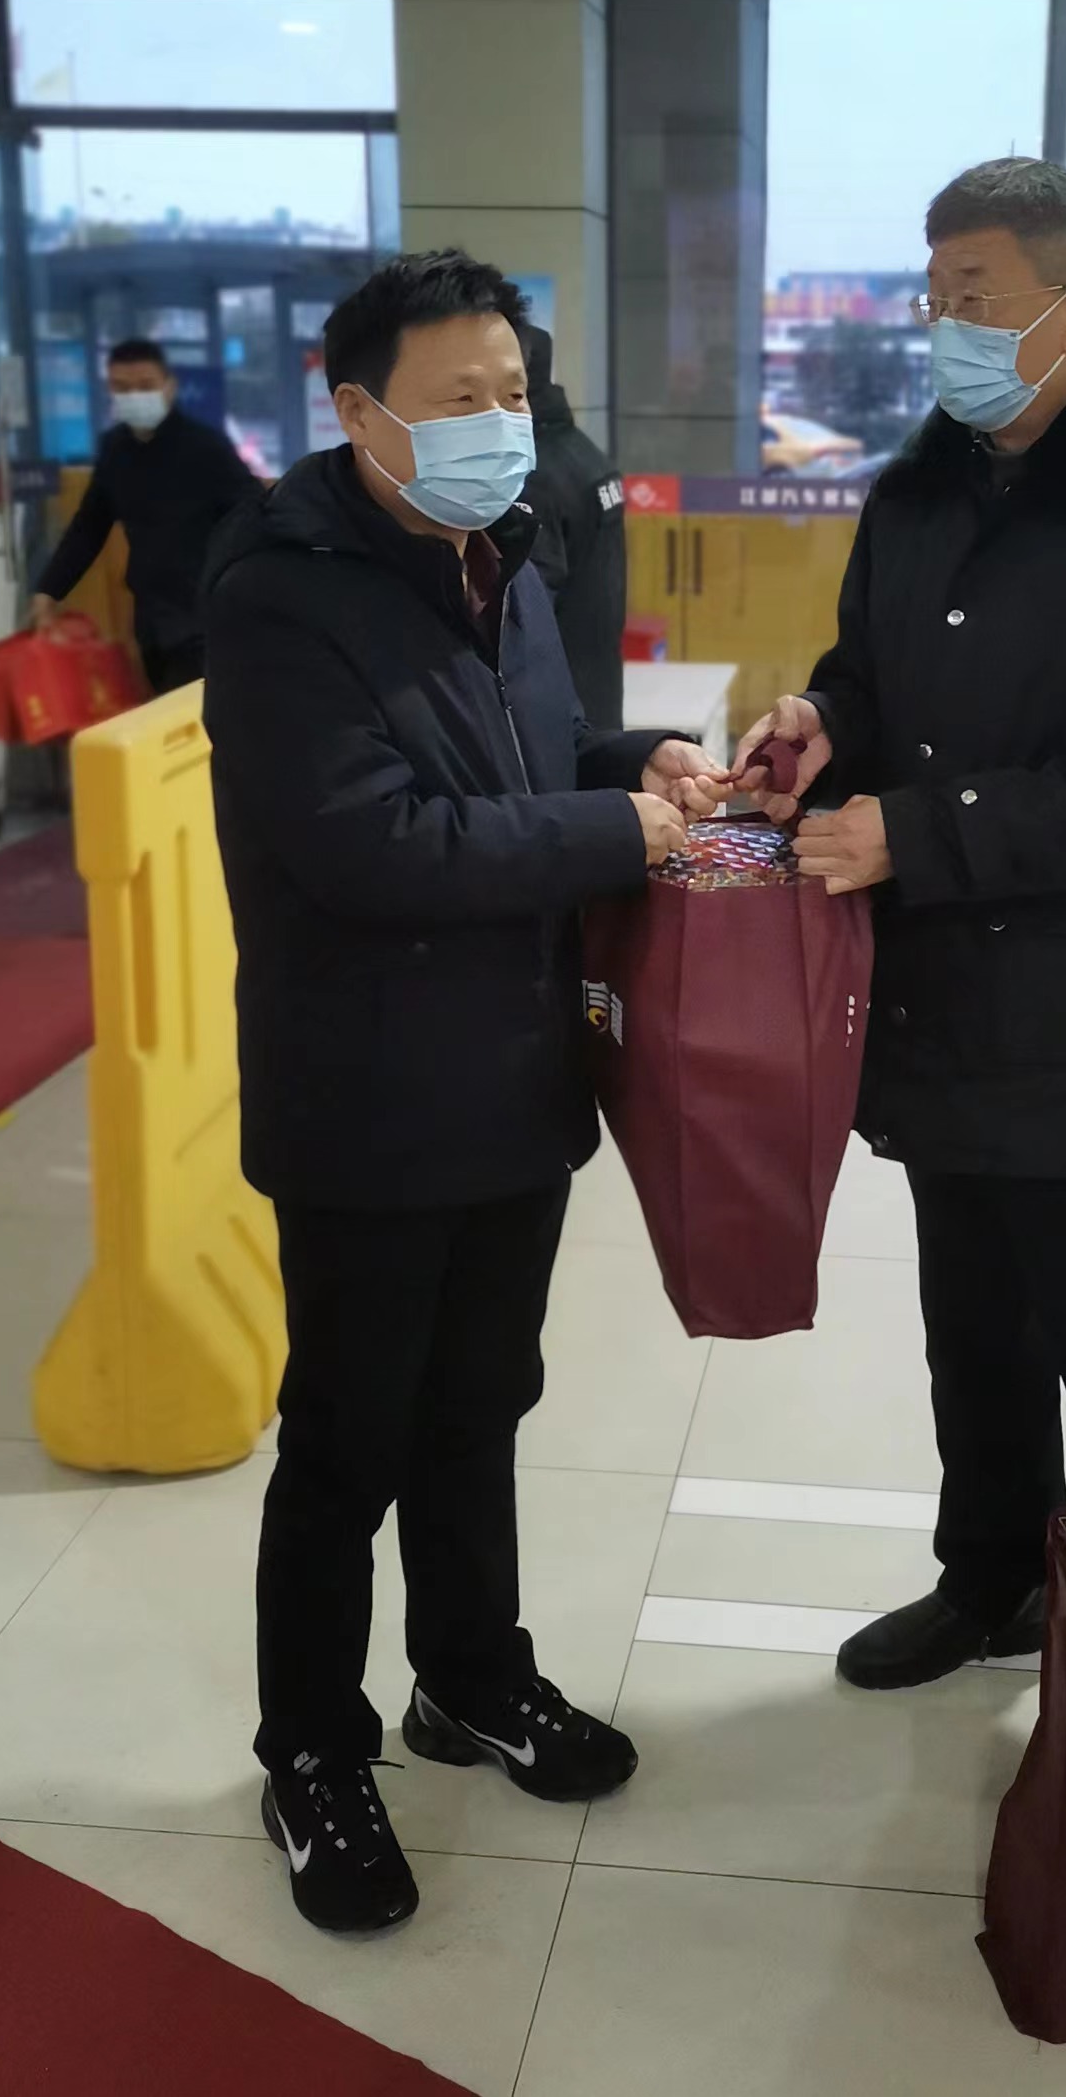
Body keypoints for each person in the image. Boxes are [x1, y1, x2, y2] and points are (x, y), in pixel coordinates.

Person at [201, 250, 728, 1935]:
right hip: (366, 1095)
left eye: (513, 390)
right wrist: (612, 832)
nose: (500, 423)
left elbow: (526, 761)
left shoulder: (502, 553)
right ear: (359, 413)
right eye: (459, 398)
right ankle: (311, 1747)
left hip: (513, 1073)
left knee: (482, 1400)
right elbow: (373, 843)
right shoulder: (280, 594)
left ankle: (471, 1677)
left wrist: (634, 766)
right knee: (348, 1436)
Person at [734, 158, 1066, 1693]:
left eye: (973, 300)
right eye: (933, 302)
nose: (945, 331)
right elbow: (868, 672)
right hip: (939, 993)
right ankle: (988, 1577)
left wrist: (911, 835)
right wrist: (820, 723)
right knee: (973, 1324)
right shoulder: (923, 482)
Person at [31, 338, 257, 694]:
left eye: (146, 386)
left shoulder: (205, 447)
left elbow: (255, 515)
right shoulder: (115, 449)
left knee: (194, 718)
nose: (134, 396)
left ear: (169, 386)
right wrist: (49, 589)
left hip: (204, 619)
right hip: (150, 618)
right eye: (122, 388)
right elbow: (89, 526)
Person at [522, 324, 627, 730]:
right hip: (595, 701)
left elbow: (521, 626)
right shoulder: (583, 453)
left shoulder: (532, 477)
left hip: (555, 720)